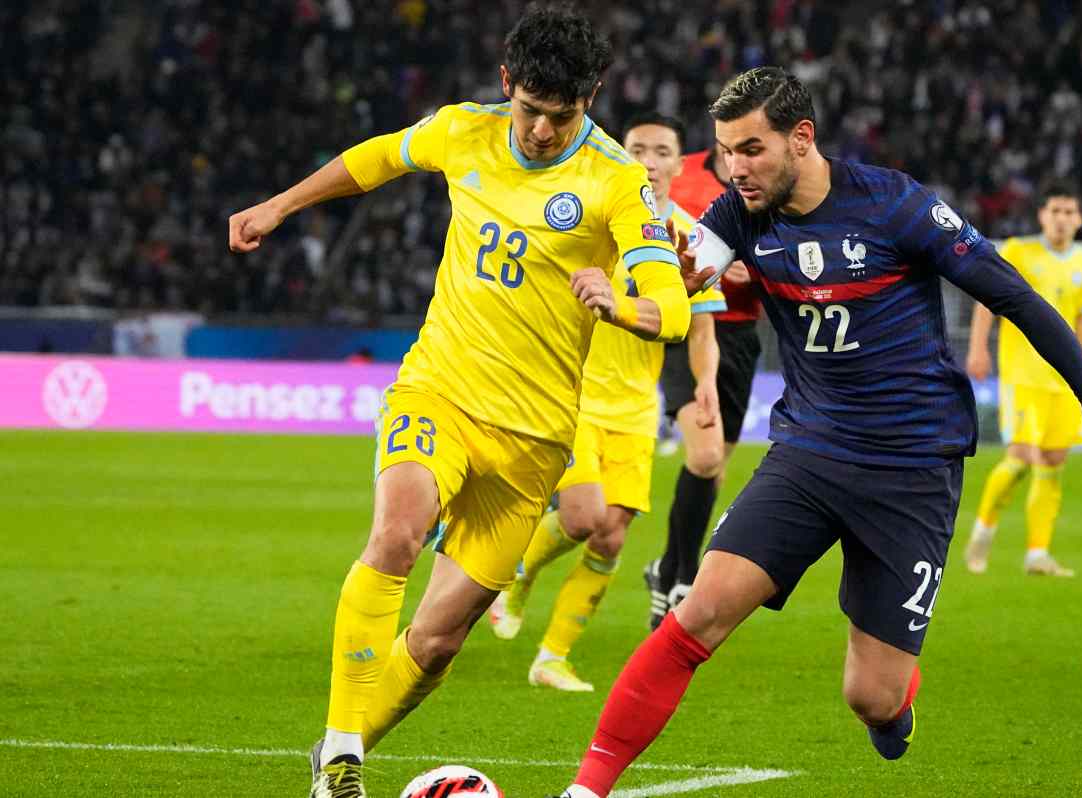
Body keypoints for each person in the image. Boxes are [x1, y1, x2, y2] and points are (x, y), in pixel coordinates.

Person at [551, 67, 1082, 798]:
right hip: (809, 452)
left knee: (870, 695)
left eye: (751, 149)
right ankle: (585, 790)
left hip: (910, 468)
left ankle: (892, 705)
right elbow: (677, 290)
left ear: (801, 139)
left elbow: (1014, 296)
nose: (734, 168)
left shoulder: (894, 206)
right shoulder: (738, 215)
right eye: (724, 151)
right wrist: (622, 303)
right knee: (698, 613)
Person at [227, 8, 694, 797]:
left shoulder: (615, 181)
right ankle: (342, 761)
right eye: (531, 110)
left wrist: (622, 304)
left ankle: (343, 747)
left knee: (439, 641)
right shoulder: (462, 130)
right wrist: (280, 205)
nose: (543, 131)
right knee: (398, 532)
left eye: (563, 115)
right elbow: (376, 158)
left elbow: (673, 309)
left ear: (593, 97)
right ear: (507, 83)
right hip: (439, 389)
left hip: (535, 442)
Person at [487, 112, 726, 691]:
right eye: (637, 148)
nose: (648, 159)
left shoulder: (695, 240)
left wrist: (705, 382)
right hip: (576, 394)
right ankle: (515, 575)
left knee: (612, 534)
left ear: (678, 162)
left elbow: (700, 330)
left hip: (637, 407)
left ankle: (551, 658)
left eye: (661, 150)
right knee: (581, 515)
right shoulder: (594, 214)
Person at [644, 142, 764, 629]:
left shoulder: (765, 185)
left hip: (739, 333)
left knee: (714, 467)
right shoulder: (681, 172)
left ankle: (666, 566)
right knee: (705, 454)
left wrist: (752, 268)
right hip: (687, 327)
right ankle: (683, 575)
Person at [963, 184, 1082, 577]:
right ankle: (983, 531)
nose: (1061, 217)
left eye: (1069, 211)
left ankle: (1037, 554)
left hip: (1065, 380)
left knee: (1054, 463)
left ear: (1079, 219)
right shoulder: (1017, 252)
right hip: (1023, 375)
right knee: (1022, 458)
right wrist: (978, 348)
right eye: (1055, 209)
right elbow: (986, 301)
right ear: (1042, 215)